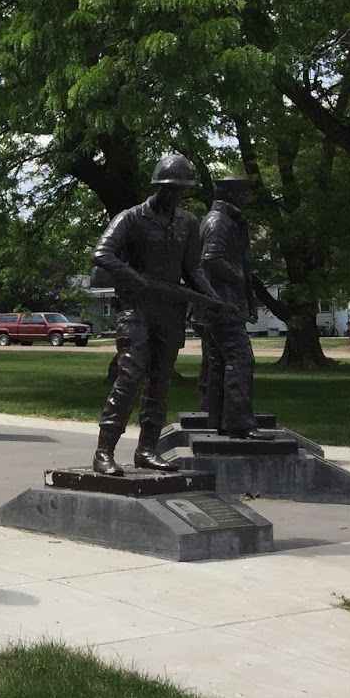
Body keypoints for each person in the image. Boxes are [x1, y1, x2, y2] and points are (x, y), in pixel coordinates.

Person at [89, 154, 227, 476]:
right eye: (172, 188)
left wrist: (213, 298)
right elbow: (102, 254)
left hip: (170, 312)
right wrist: (132, 276)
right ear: (159, 186)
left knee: (160, 382)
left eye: (182, 190)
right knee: (130, 377)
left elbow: (192, 270)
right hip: (136, 309)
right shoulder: (132, 218)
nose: (177, 194)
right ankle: (104, 451)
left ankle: (147, 450)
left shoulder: (188, 222)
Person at [198, 176, 261, 438]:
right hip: (222, 304)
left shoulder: (225, 220)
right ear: (230, 195)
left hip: (220, 303)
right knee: (240, 359)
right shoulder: (220, 221)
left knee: (219, 361)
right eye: (242, 194)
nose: (246, 199)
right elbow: (211, 259)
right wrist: (239, 278)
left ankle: (219, 419)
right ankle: (239, 423)